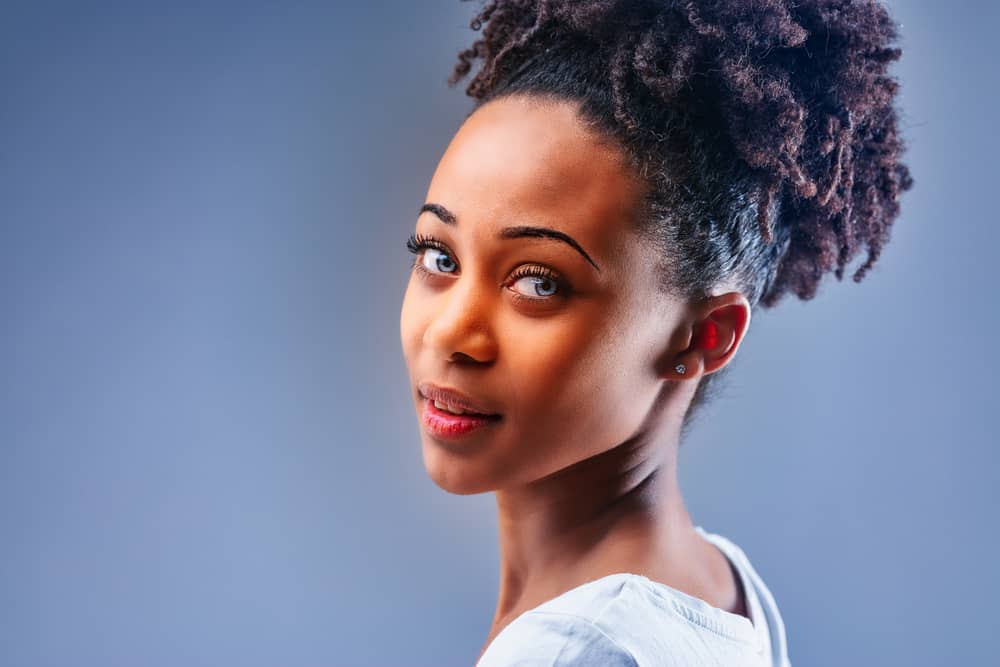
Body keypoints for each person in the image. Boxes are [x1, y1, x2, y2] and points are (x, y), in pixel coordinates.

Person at [399, 0, 912, 664]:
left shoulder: (574, 650)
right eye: (441, 257)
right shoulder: (727, 591)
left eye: (539, 282)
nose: (450, 332)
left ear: (704, 335)